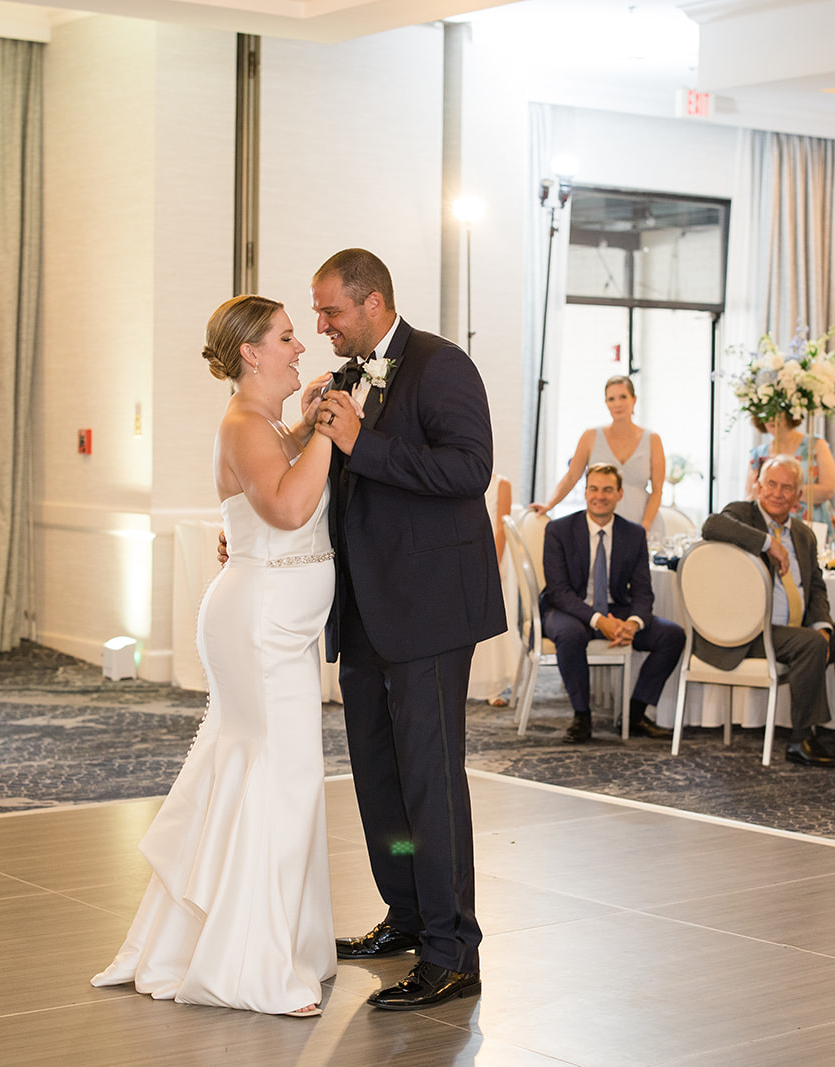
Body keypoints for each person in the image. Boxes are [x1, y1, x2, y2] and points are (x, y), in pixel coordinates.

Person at [93, 296, 335, 1018]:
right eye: (287, 338)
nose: (300, 348)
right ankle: (255, 967)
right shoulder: (242, 423)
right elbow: (289, 508)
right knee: (279, 781)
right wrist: (324, 430)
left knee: (261, 775)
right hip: (262, 630)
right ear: (252, 354)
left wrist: (302, 425)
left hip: (273, 623)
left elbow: (276, 463)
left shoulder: (262, 424)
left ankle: (243, 940)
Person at [309, 249, 504, 1010]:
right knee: (379, 778)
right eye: (317, 314)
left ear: (375, 302)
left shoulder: (441, 365)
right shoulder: (347, 378)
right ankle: (408, 913)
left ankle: (454, 950)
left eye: (331, 311)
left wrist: (365, 442)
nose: (321, 324)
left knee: (430, 781)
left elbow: (468, 469)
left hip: (427, 610)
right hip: (362, 606)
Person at [698, 455, 835, 768]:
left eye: (787, 488)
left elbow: (815, 588)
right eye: (771, 484)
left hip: (793, 629)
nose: (777, 493)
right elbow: (711, 525)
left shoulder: (803, 534)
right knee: (809, 643)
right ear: (758, 487)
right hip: (751, 631)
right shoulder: (742, 514)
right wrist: (767, 542)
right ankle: (801, 738)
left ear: (799, 497)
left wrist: (823, 626)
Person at [539, 464, 683, 743]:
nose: (600, 495)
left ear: (619, 494)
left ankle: (634, 714)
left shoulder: (634, 534)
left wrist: (633, 623)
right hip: (568, 610)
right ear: (585, 493)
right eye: (593, 488)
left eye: (607, 489)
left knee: (672, 635)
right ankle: (582, 717)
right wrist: (599, 620)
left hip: (617, 611)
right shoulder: (559, 530)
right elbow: (558, 591)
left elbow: (643, 592)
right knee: (570, 635)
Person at [529, 375, 665, 532]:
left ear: (634, 399)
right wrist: (549, 504)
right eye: (611, 399)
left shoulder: (653, 439)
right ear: (606, 403)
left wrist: (644, 527)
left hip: (643, 523)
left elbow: (657, 489)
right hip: (601, 523)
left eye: (623, 397)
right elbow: (572, 476)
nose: (617, 404)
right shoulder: (590, 436)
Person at [468, 473, 520, 704]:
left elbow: (502, 525)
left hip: (490, 556)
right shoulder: (458, 477)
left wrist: (492, 562)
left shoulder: (502, 483)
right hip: (464, 554)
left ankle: (490, 686)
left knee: (487, 619)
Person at [746, 414, 835, 526]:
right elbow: (750, 496)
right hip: (770, 525)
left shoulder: (815, 445)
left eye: (778, 411)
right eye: (765, 411)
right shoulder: (758, 453)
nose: (771, 417)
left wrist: (781, 494)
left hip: (812, 522)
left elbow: (828, 490)